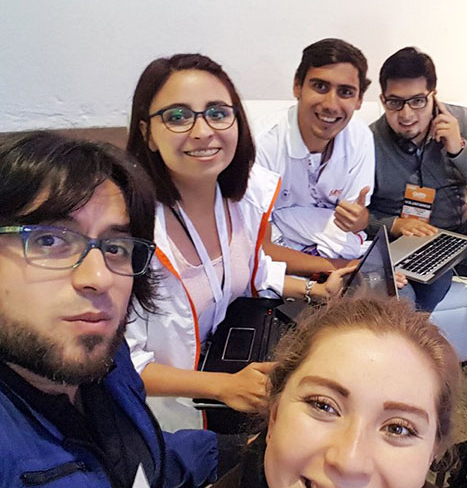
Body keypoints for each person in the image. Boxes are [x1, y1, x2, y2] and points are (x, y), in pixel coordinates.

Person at [0, 133, 231, 488]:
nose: (98, 277)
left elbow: (127, 458)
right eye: (49, 240)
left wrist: (244, 450)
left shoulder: (100, 366)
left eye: (115, 247)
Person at [127, 296, 467, 488]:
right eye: (324, 406)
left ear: (433, 452)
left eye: (398, 429)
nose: (349, 461)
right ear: (274, 412)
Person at [125, 54, 349, 433]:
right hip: (169, 420)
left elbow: (251, 271)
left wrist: (315, 290)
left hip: (235, 367)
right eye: (178, 116)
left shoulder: (242, 201)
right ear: (148, 133)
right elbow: (120, 364)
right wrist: (224, 387)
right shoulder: (129, 231)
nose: (202, 131)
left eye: (217, 113)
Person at [366, 47, 467, 360]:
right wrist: (394, 224)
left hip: (459, 232)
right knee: (410, 294)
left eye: (418, 101)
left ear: (433, 96)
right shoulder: (369, 141)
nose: (406, 114)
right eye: (395, 102)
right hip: (403, 243)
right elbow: (358, 217)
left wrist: (458, 149)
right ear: (383, 100)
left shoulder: (461, 121)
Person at [254, 38, 376, 271]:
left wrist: (359, 220)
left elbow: (352, 226)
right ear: (297, 86)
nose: (331, 104)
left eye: (345, 92)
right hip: (276, 267)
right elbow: (260, 247)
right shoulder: (261, 145)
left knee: (400, 289)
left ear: (359, 100)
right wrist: (348, 268)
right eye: (320, 86)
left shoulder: (360, 137)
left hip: (330, 253)